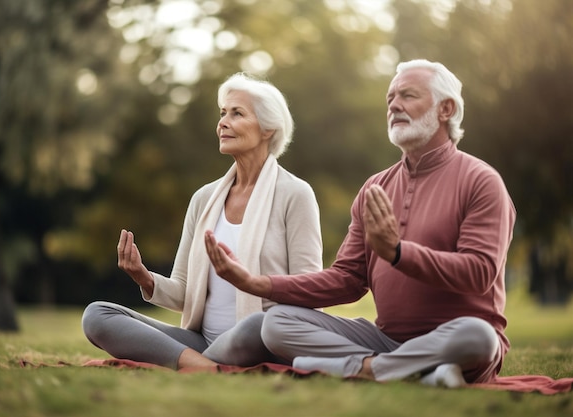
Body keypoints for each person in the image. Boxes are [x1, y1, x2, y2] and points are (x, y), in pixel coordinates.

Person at [205, 59, 516, 388]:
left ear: (445, 109)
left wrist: (398, 253)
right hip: (385, 340)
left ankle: (366, 370)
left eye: (408, 96)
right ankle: (408, 370)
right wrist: (257, 283)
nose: (394, 105)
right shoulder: (375, 186)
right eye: (390, 99)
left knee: (480, 335)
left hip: (456, 341)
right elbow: (347, 279)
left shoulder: (481, 181)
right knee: (276, 322)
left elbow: (480, 272)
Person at [82, 73, 323, 370]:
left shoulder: (295, 194)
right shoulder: (204, 199)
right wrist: (144, 277)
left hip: (259, 338)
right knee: (97, 314)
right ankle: (204, 365)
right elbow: (185, 292)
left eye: (237, 113)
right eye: (222, 113)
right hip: (201, 341)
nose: (222, 122)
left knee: (258, 324)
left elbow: (310, 291)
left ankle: (186, 363)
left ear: (268, 129)